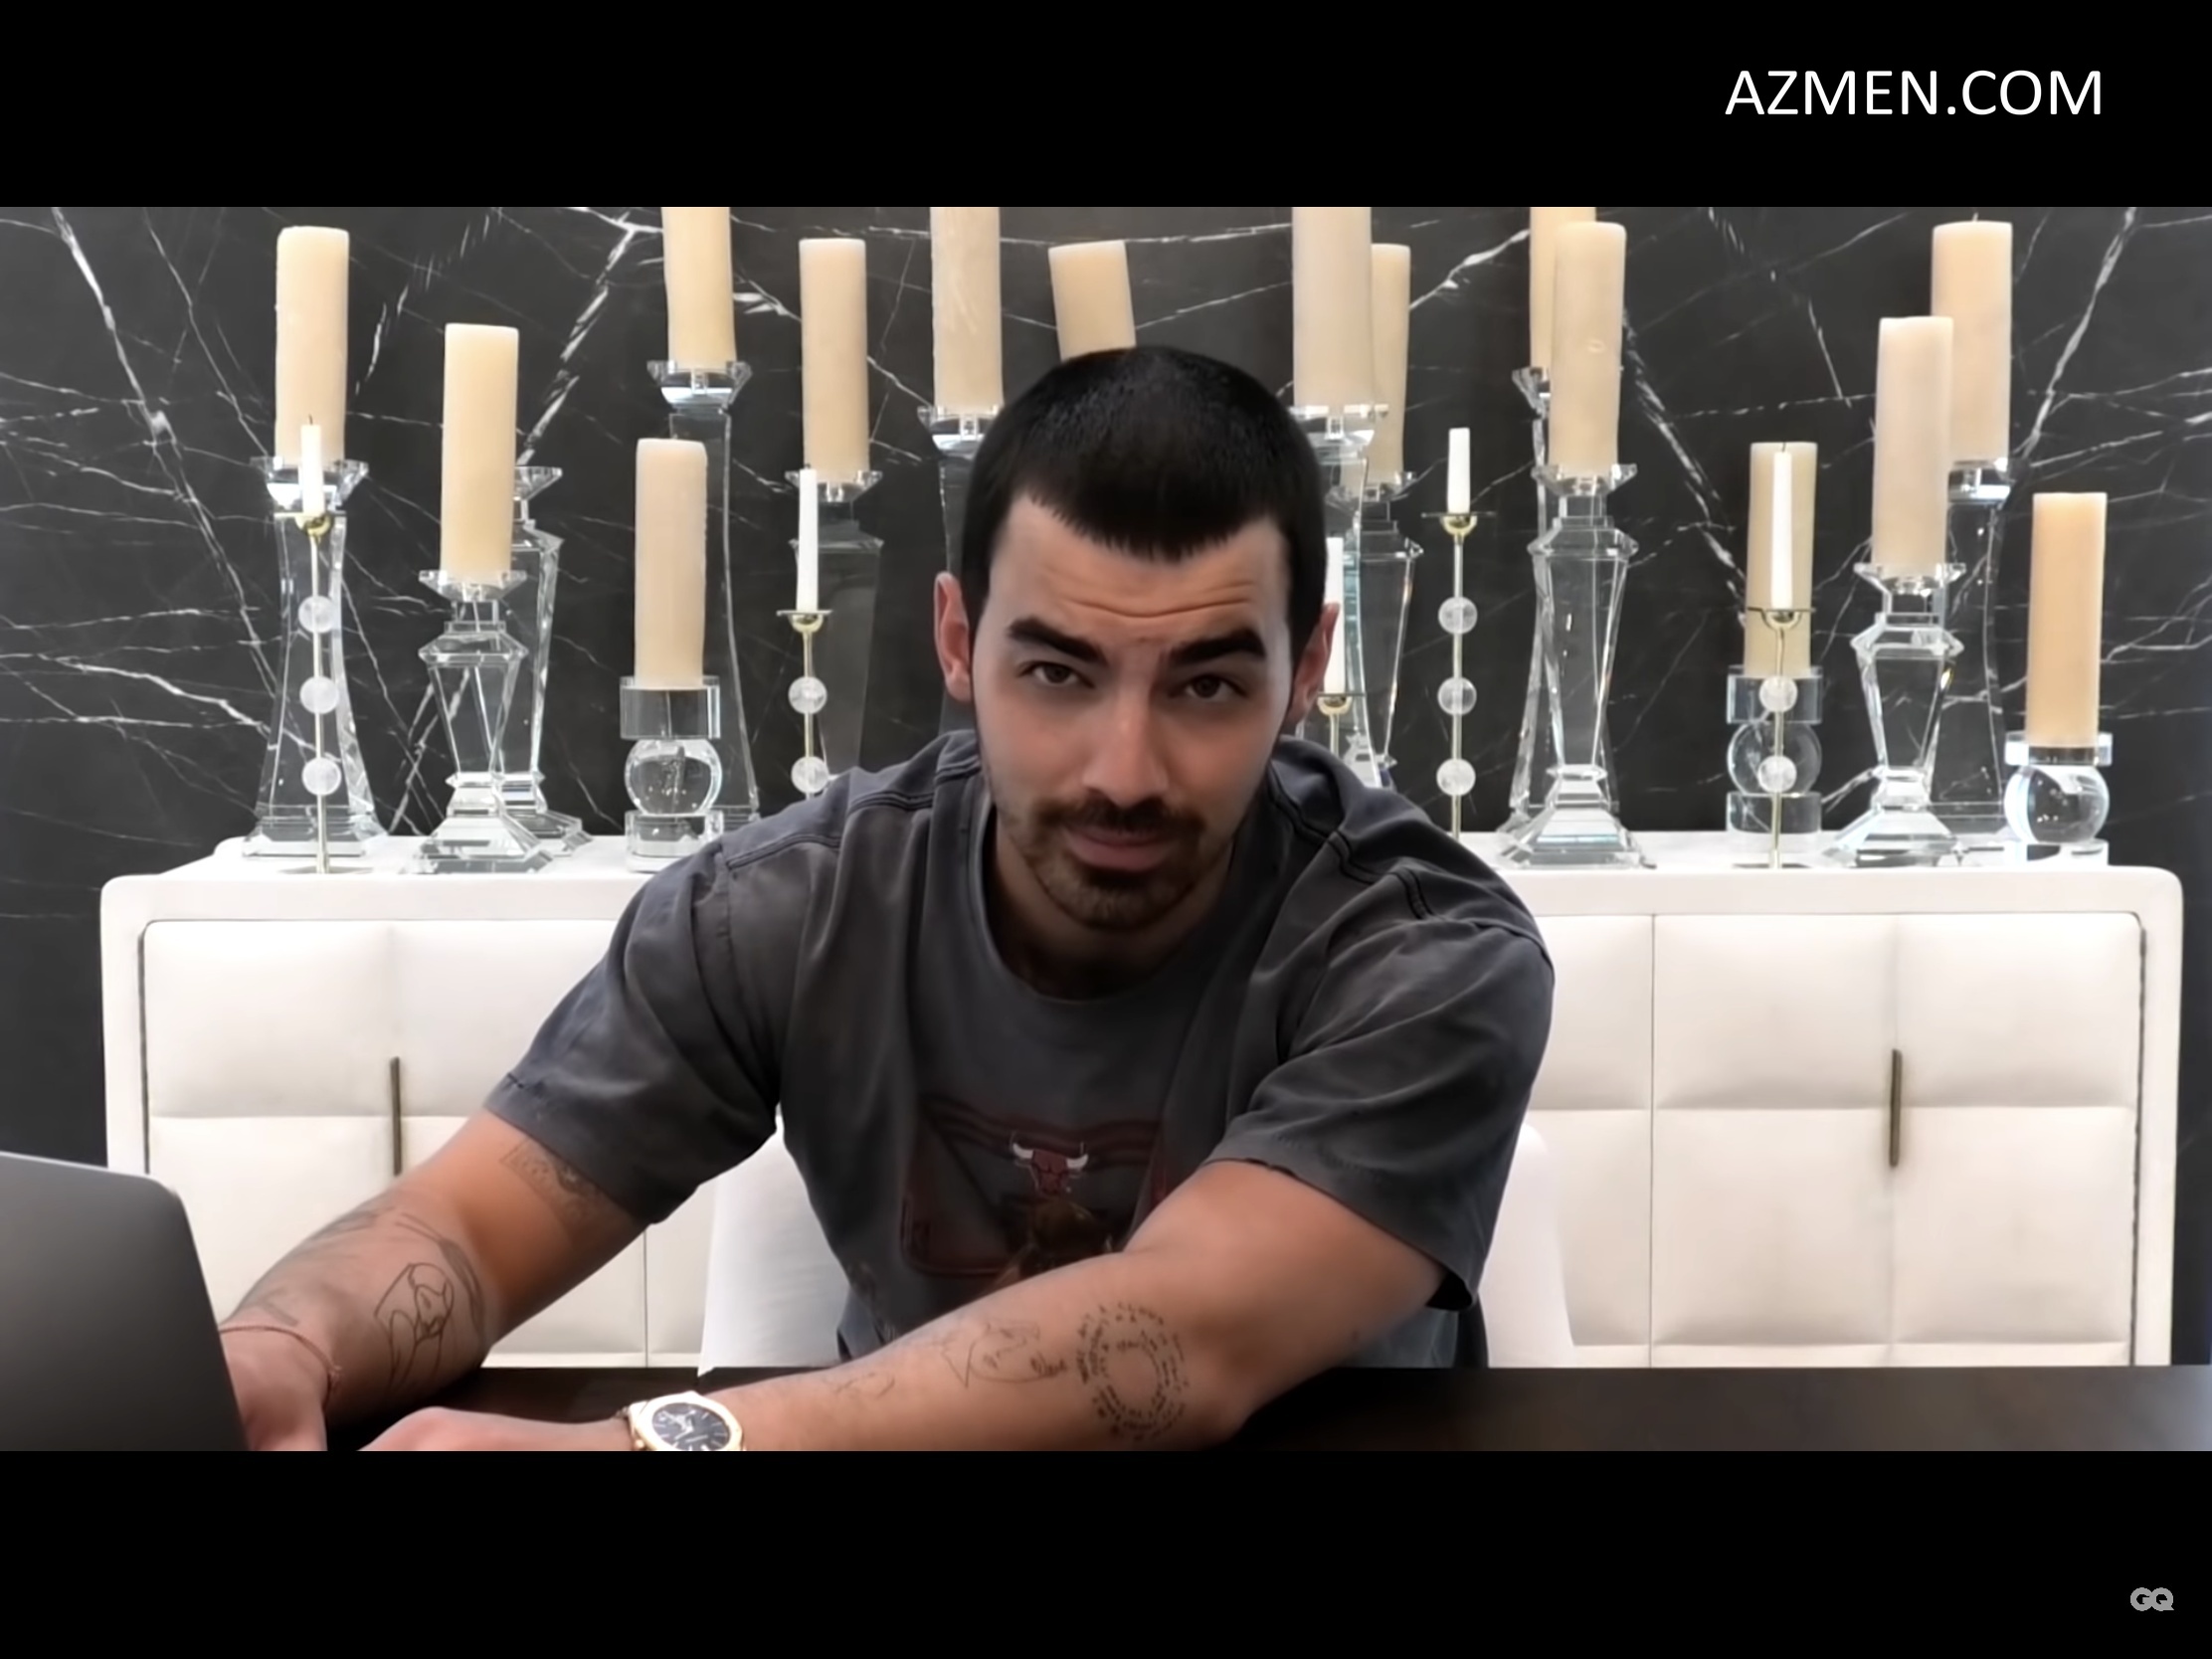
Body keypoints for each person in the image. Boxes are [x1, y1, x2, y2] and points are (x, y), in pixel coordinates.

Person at [219, 344, 1556, 1452]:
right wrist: (284, 1348)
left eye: (1207, 684)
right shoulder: (783, 910)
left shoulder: (1426, 956)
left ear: (1308, 666)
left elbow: (1171, 1340)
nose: (1124, 770)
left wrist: (661, 1446)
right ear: (959, 642)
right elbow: (459, 1231)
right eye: (1058, 673)